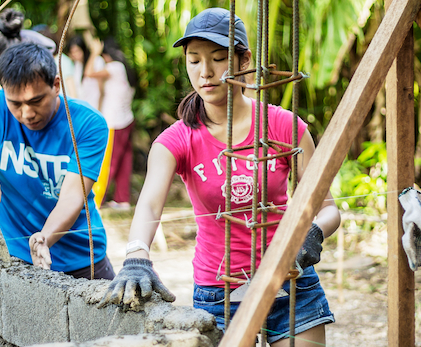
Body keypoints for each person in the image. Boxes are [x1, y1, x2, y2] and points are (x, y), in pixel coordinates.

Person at [98, 8, 341, 346]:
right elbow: (150, 204)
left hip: (291, 283)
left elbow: (328, 208)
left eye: (218, 58)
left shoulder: (285, 125)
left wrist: (312, 233)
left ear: (244, 61)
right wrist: (137, 255)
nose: (205, 72)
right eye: (194, 60)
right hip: (219, 292)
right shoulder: (176, 140)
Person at [0, 42, 114, 280]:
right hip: (11, 252)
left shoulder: (87, 123)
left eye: (36, 101)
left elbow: (72, 196)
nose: (26, 114)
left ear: (56, 85)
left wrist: (44, 238)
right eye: (15, 104)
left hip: (79, 256)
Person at [85, 37, 136, 210]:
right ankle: (123, 200)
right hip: (127, 120)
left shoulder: (114, 67)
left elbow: (89, 73)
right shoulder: (126, 69)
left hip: (114, 122)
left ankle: (97, 200)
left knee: (108, 163)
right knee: (123, 162)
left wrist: (94, 53)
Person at [67, 34, 105, 110]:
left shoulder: (97, 61)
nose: (75, 54)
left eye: (77, 51)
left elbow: (101, 90)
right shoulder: (76, 65)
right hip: (83, 109)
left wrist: (99, 110)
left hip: (96, 107)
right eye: (72, 52)